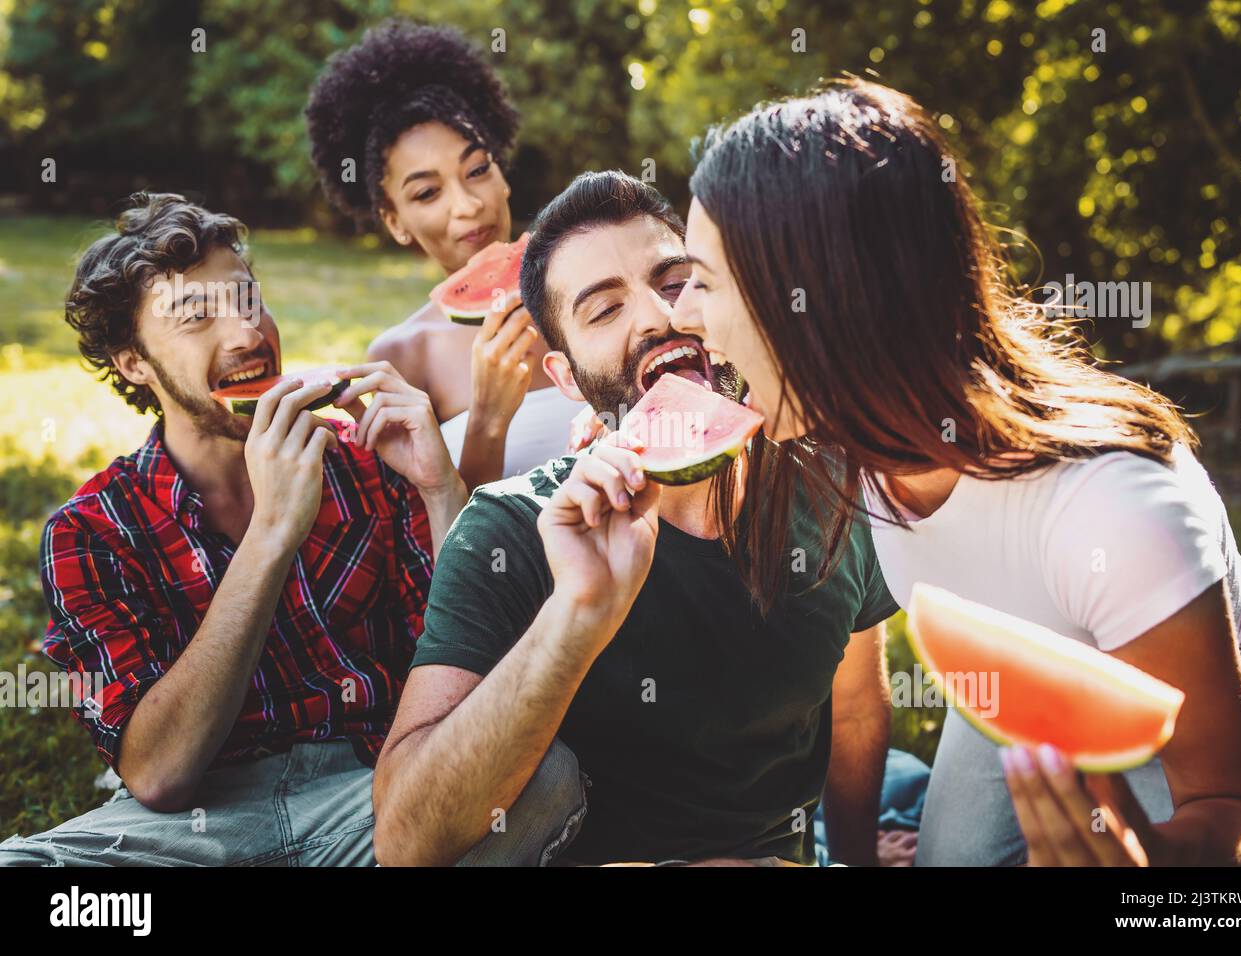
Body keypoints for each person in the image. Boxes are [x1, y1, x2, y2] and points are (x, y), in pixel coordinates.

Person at [664, 78, 1241, 866]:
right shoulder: (836, 429)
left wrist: (1150, 869)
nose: (681, 313)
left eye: (704, 281)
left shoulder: (1114, 511)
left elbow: (1240, 806)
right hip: (1018, 661)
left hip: (1179, 704)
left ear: (820, 306)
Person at [0, 193, 553, 867]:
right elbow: (160, 774)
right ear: (134, 363)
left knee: (547, 778)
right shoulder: (89, 533)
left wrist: (440, 491)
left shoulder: (363, 462)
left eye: (247, 300)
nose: (243, 334)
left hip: (376, 799)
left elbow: (476, 669)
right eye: (196, 316)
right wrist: (271, 533)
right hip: (202, 826)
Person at [371, 170, 899, 867]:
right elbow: (406, 840)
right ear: (564, 378)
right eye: (603, 310)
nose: (657, 316)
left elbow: (857, 708)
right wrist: (576, 617)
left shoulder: (830, 486)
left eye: (676, 280)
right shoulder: (508, 529)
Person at [306, 18, 586, 490]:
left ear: (502, 173)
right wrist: (488, 422)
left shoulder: (595, 283)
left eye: (477, 169)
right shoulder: (402, 356)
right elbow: (449, 543)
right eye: (427, 193)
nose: (468, 205)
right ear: (395, 221)